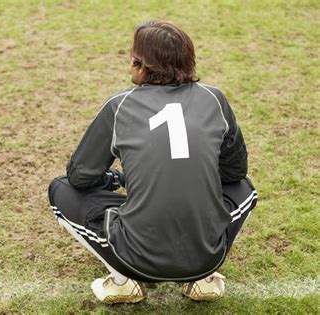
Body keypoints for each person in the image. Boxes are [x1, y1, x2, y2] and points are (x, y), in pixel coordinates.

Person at [48, 20, 258, 304]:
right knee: (244, 188)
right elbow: (235, 172)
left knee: (61, 189)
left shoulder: (119, 105)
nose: (130, 60)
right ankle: (202, 279)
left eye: (135, 55)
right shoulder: (214, 98)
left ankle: (123, 283)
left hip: (136, 257)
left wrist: (115, 179)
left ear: (144, 63)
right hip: (208, 255)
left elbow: (79, 177)